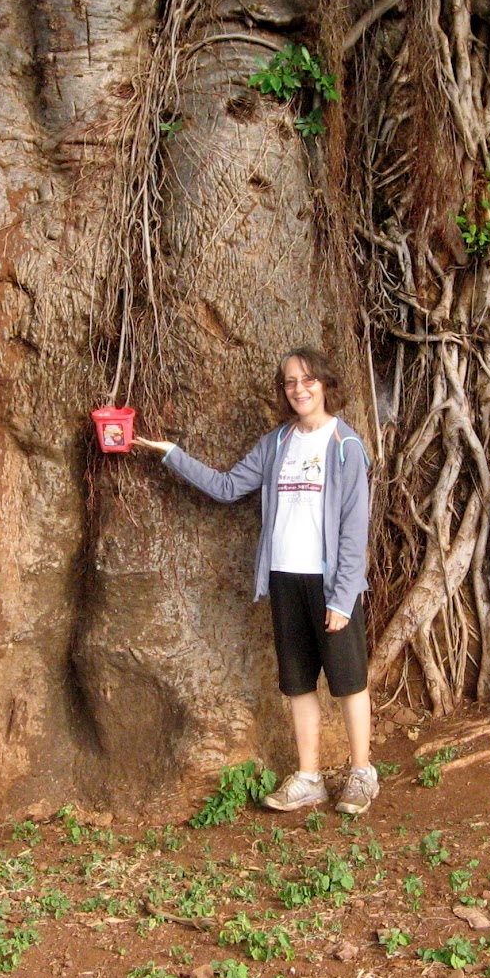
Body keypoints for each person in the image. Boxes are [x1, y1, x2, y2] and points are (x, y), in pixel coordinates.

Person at [133, 347, 379, 816]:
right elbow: (227, 487)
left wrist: (344, 597)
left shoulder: (346, 446)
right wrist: (171, 455)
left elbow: (354, 528)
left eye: (307, 380)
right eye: (290, 382)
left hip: (331, 585)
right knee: (297, 683)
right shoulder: (278, 443)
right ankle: (309, 777)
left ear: (324, 385)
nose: (299, 389)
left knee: (348, 682)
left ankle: (362, 772)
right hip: (285, 578)